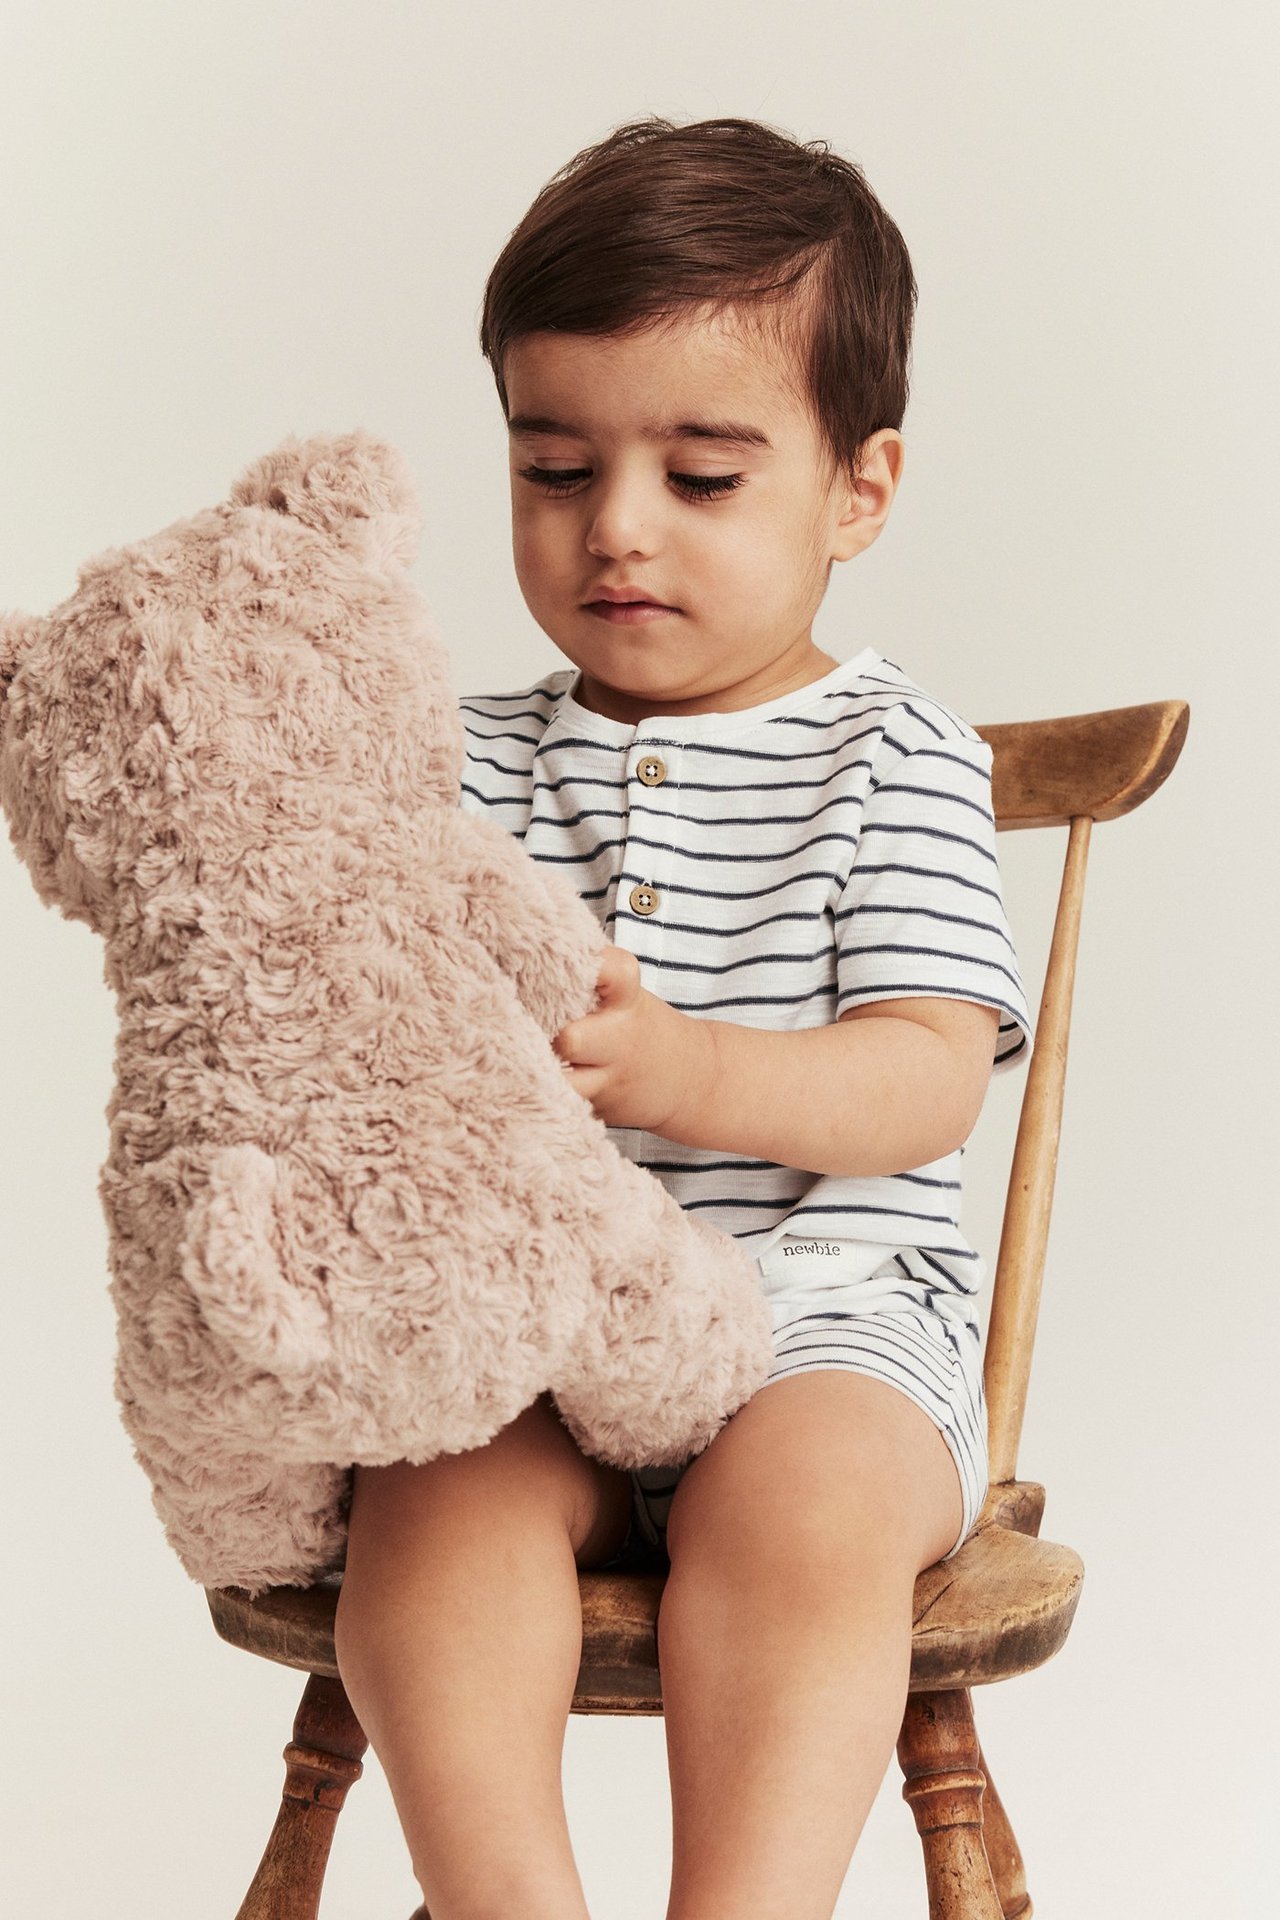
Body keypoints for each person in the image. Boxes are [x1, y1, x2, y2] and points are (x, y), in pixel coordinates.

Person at [333, 114, 1034, 1920]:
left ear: (858, 490)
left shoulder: (896, 756)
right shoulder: (458, 761)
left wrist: (686, 1070)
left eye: (701, 480)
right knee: (428, 1483)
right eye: (554, 467)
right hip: (538, 1343)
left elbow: (924, 1079)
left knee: (797, 1517)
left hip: (827, 1332)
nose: (615, 530)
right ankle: (505, 1901)